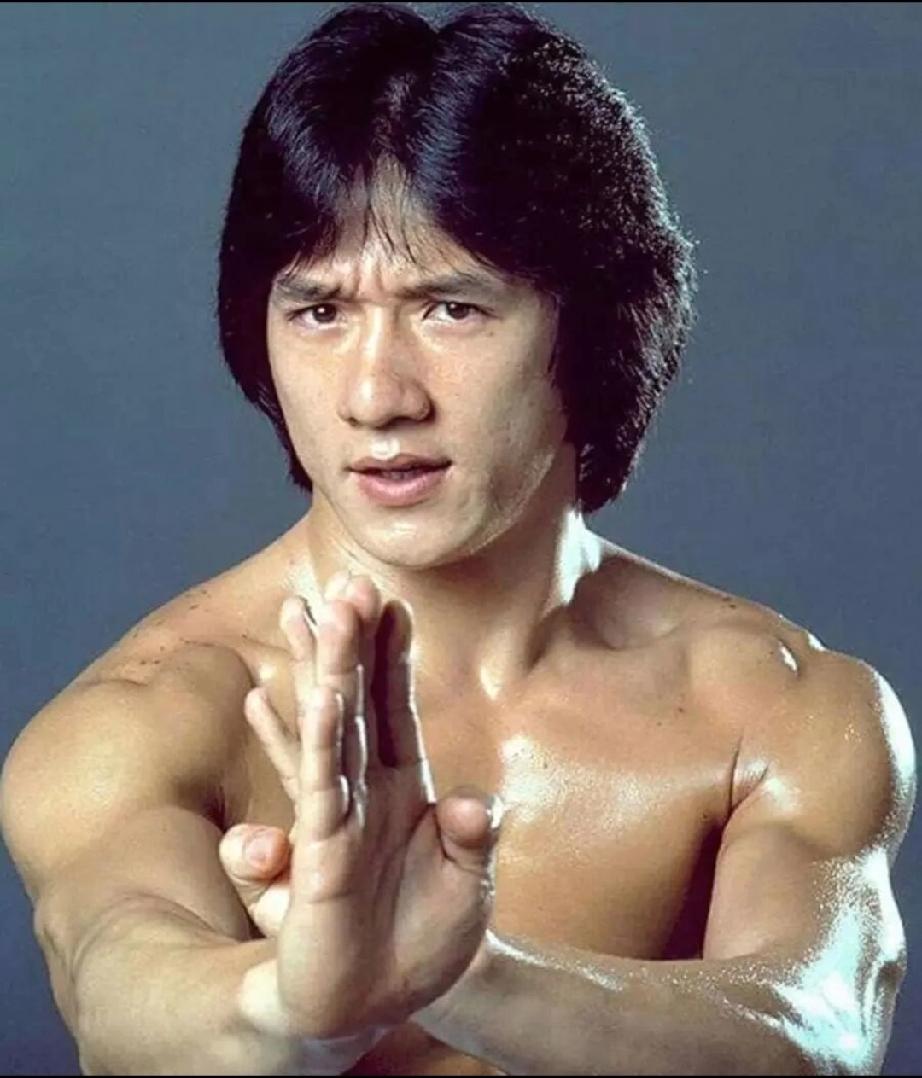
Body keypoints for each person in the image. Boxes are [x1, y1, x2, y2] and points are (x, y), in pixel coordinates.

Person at [0, 2, 915, 1074]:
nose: (377, 396)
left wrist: (459, 973)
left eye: (451, 308)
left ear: (594, 323)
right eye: (320, 312)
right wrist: (295, 1004)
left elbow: (823, 1033)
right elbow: (121, 989)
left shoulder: (773, 709)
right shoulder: (148, 718)